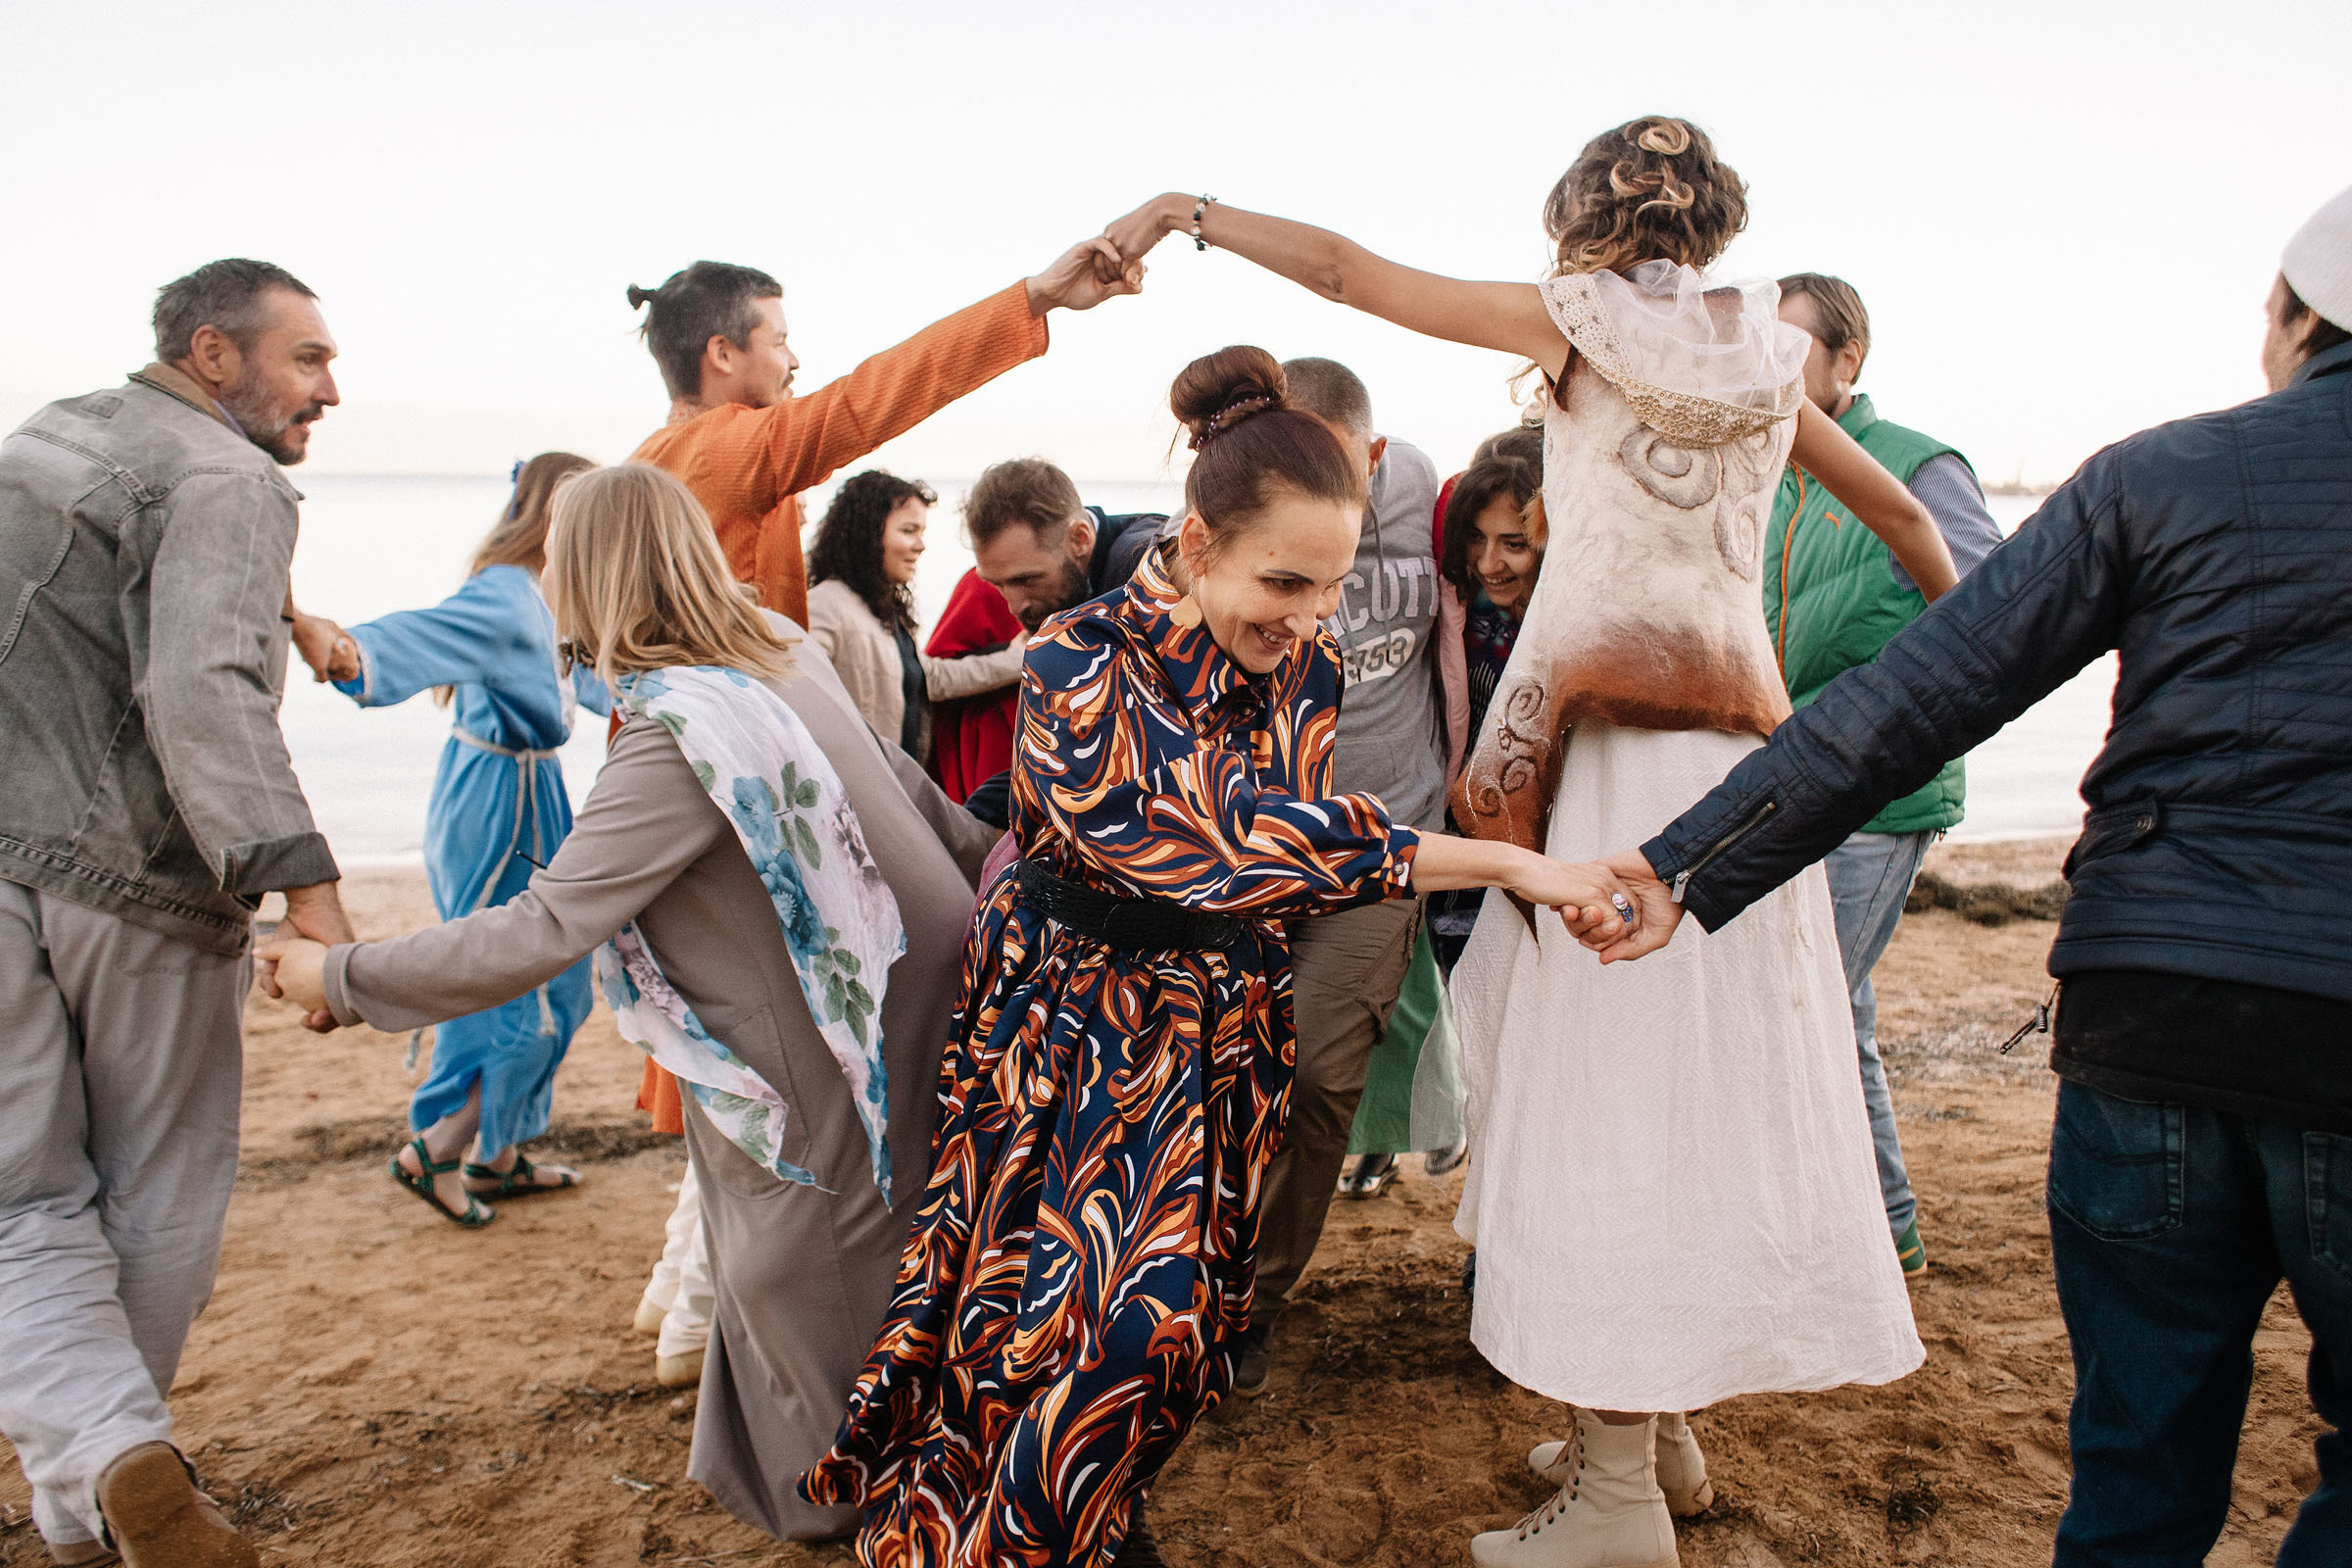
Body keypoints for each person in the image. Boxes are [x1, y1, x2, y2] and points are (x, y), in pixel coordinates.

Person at [1105, 118, 1953, 1568]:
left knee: (1607, 1095)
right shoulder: (1764, 353)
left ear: (1583, 219)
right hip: (1747, 769)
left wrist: (1189, 211)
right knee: (1704, 1085)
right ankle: (1662, 1434)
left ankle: (1616, 1502)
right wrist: (1935, 683)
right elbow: (1900, 516)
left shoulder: (1575, 321)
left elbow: (1350, 275)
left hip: (1603, 762)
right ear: (1718, 225)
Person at [1589, 182, 2352, 1568]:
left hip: (2151, 1012)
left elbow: (1924, 696)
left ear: (2294, 321)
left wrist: (1683, 864)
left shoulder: (2157, 475)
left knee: (2138, 1449)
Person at [800, 348, 1632, 1568]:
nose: (1307, 617)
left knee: (1183, 1320)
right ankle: (1001, 1534)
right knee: (1053, 1318)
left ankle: (1096, 1506)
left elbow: (1285, 845)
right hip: (1070, 1019)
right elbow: (1222, 841)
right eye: (1283, 581)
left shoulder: (1311, 662)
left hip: (1212, 1020)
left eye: (1333, 586)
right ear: (1195, 548)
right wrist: (1502, 863)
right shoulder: (1079, 660)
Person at [261, 462, 1000, 1542]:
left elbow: (542, 927)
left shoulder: (675, 736)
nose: (544, 573)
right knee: (798, 1252)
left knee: (812, 1268)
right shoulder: (772, 653)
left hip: (820, 1039)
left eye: (557, 555)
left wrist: (344, 976)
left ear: (596, 572)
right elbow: (915, 796)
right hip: (899, 992)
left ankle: (859, 1504)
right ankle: (851, 1470)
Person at [0, 258, 354, 1568]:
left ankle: (90, 1474)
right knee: (158, 1187)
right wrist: (309, 889)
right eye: (306, 359)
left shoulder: (43, 440)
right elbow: (203, 690)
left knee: (17, 1198)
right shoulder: (230, 478)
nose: (331, 387)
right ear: (216, 353)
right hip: (136, 882)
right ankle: (113, 1486)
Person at [1766, 272, 2005, 1280]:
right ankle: (1890, 1228)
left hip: (1878, 795)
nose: (1764, 371)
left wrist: (1908, 727)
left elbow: (2001, 609)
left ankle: (1848, 1239)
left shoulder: (1916, 464)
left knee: (1802, 1009)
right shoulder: (1766, 469)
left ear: (1845, 361)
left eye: (1787, 351)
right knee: (1836, 1014)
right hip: (1780, 787)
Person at [325, 452, 612, 1226]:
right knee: (510, 980)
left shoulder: (547, 599)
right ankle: (439, 1148)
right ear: (557, 515)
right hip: (496, 800)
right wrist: (351, 651)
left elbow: (596, 680)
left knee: (559, 977)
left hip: (530, 789)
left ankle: (497, 1153)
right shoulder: (504, 598)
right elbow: (423, 636)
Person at [627, 237, 1142, 626]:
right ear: (721, 353)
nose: (794, 360)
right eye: (779, 341)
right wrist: (1035, 297)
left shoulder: (637, 469)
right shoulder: (734, 449)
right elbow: (873, 397)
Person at [1238, 358, 1454, 1271]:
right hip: (1269, 845)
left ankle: (1260, 1301)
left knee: (1325, 1073)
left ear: (1373, 453)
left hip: (1391, 837)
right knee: (1243, 1070)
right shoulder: (1250, 506)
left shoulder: (1420, 493)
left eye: (1335, 464)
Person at [957, 455, 1171, 823]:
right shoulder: (1087, 576)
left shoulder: (1144, 568)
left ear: (1080, 538)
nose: (1014, 606)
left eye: (1027, 580)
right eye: (997, 584)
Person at [806, 470, 1025, 765]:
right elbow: (801, 698)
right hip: (856, 790)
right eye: (909, 531)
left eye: (921, 532)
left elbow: (930, 678)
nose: (921, 545)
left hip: (893, 786)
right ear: (867, 533)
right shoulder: (826, 604)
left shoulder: (882, 613)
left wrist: (1016, 659)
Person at [922, 567, 1028, 805]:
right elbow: (936, 671)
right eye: (909, 530)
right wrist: (1013, 658)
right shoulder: (982, 582)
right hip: (993, 737)